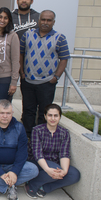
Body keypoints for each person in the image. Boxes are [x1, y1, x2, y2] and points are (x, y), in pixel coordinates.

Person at [0, 100, 39, 200]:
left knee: (33, 169)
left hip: (12, 165)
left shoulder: (19, 127)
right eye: (2, 113)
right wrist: (0, 172)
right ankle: (10, 186)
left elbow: (22, 152)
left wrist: (14, 171)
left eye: (8, 113)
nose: (5, 116)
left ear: (12, 113)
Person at [20, 10, 70, 138]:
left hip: (47, 83)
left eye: (49, 20)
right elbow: (21, 53)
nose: (45, 23)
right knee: (28, 111)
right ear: (38, 20)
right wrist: (22, 72)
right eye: (43, 20)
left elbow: (64, 59)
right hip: (28, 81)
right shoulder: (27, 35)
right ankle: (27, 137)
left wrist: (56, 77)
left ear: (53, 22)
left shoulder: (60, 38)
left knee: (44, 112)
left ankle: (41, 137)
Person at [25, 104, 80, 199]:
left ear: (60, 117)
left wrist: (64, 171)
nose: (53, 118)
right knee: (54, 168)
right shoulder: (37, 130)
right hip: (37, 162)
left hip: (55, 164)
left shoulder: (64, 133)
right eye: (50, 115)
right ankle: (32, 184)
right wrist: (47, 169)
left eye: (56, 115)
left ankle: (45, 188)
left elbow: (64, 153)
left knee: (74, 174)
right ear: (45, 116)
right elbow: (37, 154)